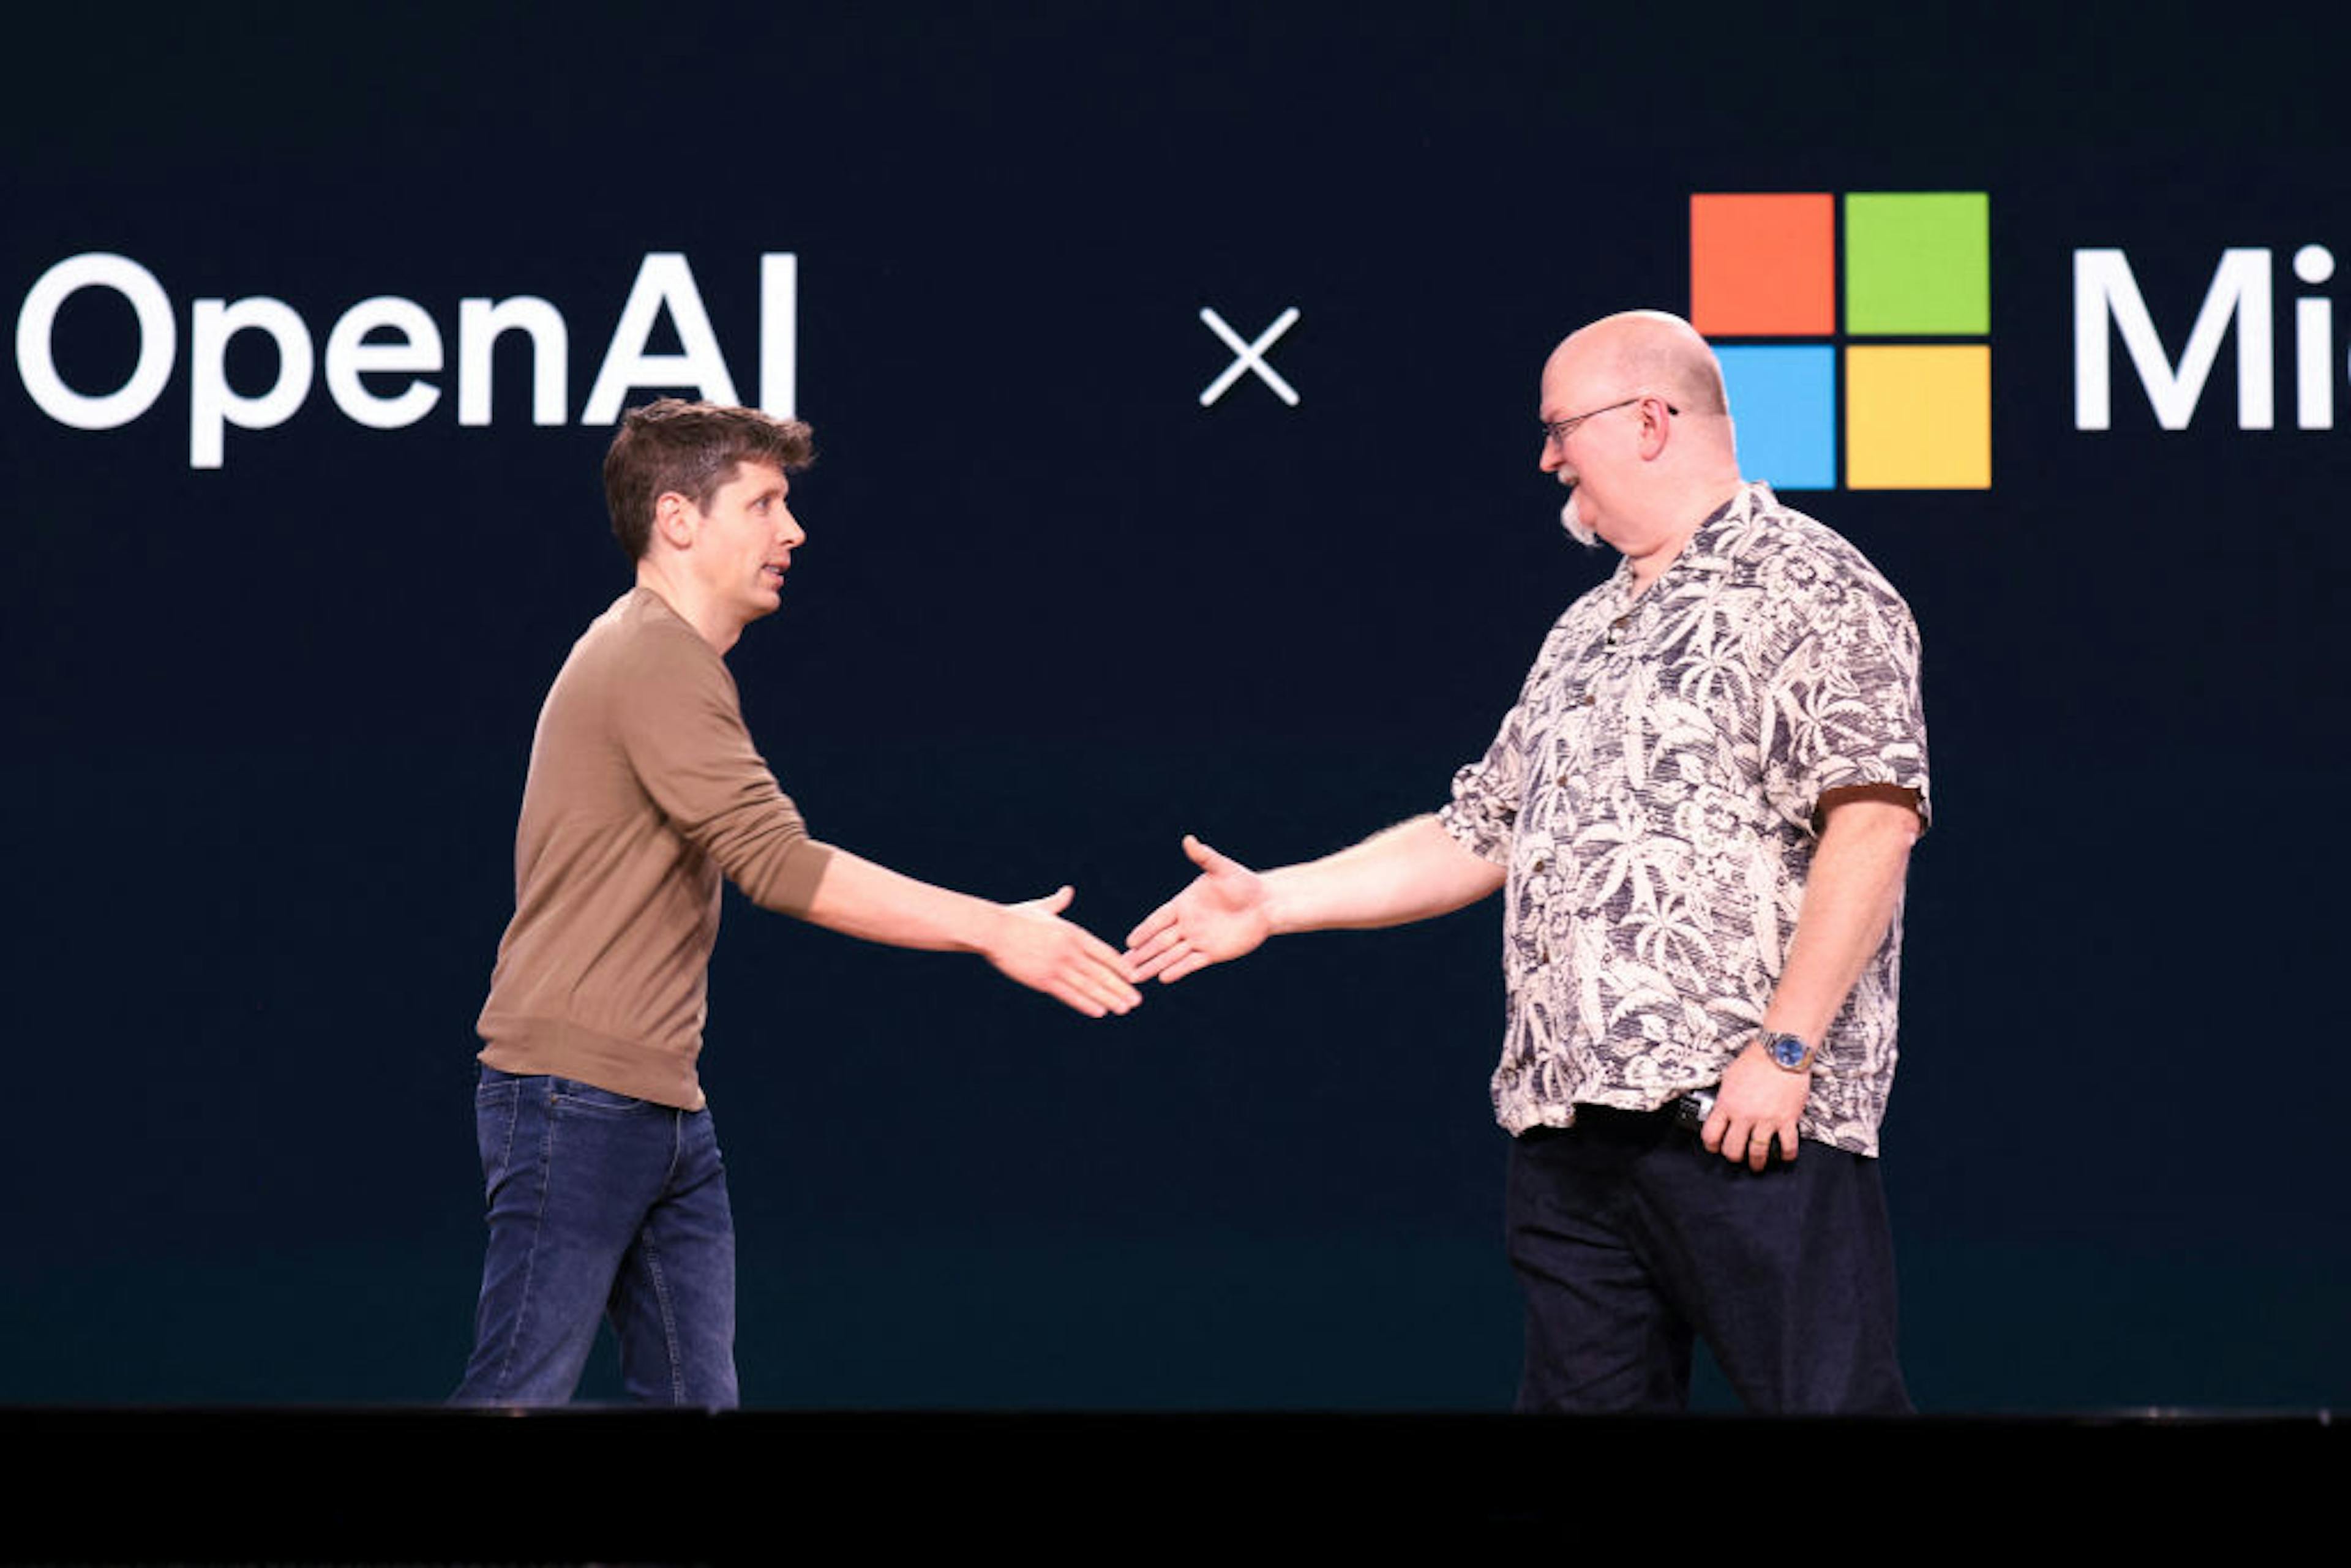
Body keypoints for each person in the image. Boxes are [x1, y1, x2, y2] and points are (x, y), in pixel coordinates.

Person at [1125, 312, 1928, 1414]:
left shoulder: (1813, 587)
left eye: (1562, 427)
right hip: (1569, 1143)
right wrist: (1275, 900)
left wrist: (1784, 1049)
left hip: (1745, 1120)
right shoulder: (1586, 628)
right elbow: (1481, 828)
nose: (1547, 456)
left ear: (1650, 421)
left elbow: (1874, 823)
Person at [454, 398, 1140, 1407]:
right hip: (577, 1097)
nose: (794, 531)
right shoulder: (652, 655)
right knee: (514, 1398)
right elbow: (777, 863)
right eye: (766, 503)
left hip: (657, 1103)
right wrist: (995, 928)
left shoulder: (663, 657)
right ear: (680, 519)